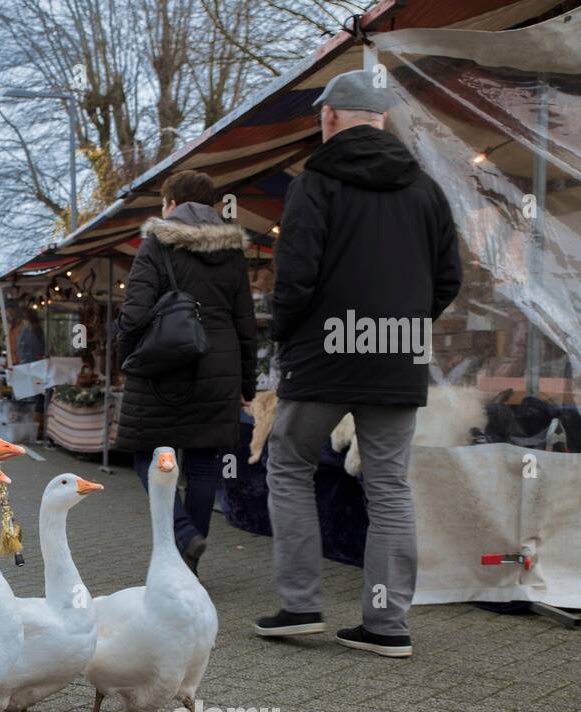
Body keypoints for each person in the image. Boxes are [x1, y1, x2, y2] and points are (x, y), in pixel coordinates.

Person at [256, 69, 461, 657]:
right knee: (390, 485)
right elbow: (449, 278)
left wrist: (288, 338)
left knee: (290, 467)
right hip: (397, 356)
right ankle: (386, 622)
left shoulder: (314, 183)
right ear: (384, 119)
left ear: (329, 118)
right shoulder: (425, 189)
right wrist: (404, 324)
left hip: (322, 358)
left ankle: (299, 606)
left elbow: (294, 277)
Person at [114, 169, 257, 575]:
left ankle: (181, 530)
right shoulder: (232, 252)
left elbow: (135, 314)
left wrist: (128, 358)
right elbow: (246, 324)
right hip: (220, 367)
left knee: (148, 455)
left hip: (163, 367)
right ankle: (187, 564)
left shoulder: (155, 244)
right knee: (204, 461)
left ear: (171, 204)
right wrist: (246, 383)